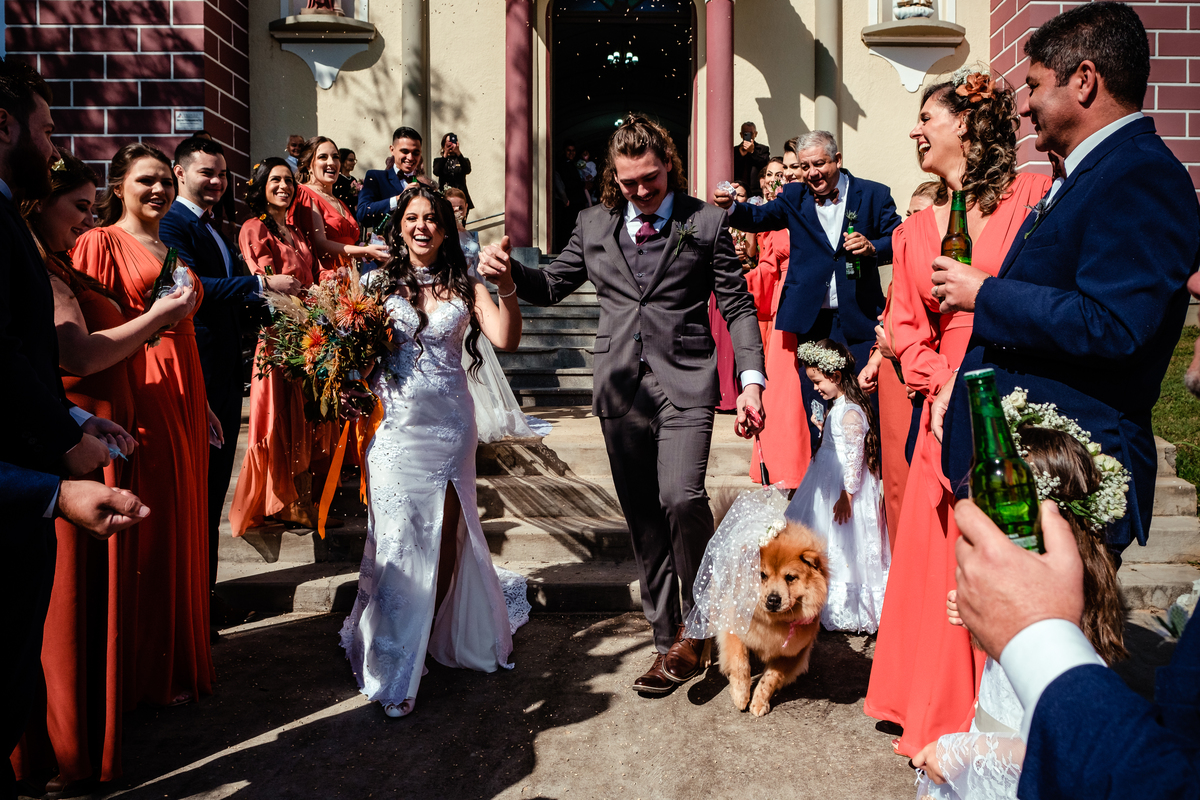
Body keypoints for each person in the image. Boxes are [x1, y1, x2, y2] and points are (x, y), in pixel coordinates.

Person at [480, 114, 766, 695]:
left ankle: (701, 620)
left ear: (670, 167)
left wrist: (754, 379)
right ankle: (670, 643)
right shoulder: (592, 223)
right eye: (629, 182)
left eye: (651, 181)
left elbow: (737, 307)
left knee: (681, 498)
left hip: (686, 380)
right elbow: (553, 285)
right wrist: (509, 275)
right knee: (642, 517)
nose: (640, 191)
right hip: (618, 387)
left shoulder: (705, 222)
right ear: (614, 175)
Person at [936, 3, 1200, 567]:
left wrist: (986, 294)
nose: (1024, 103)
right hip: (1023, 469)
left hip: (1068, 473)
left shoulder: (1140, 175)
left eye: (1033, 85)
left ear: (1084, 80)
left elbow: (1115, 325)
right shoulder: (1086, 171)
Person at [863, 72, 1053, 758]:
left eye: (925, 118)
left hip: (1016, 393)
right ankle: (935, 705)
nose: (916, 131)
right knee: (940, 560)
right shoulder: (915, 230)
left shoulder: (1031, 199)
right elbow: (905, 325)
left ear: (966, 125)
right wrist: (940, 380)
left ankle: (1008, 708)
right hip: (943, 406)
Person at [12, 150, 194, 793]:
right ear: (39, 205)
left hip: (90, 425)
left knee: (89, 594)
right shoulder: (52, 268)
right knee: (64, 601)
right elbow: (77, 353)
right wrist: (160, 319)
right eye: (80, 207)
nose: (86, 222)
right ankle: (63, 750)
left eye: (92, 208)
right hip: (66, 442)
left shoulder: (59, 261)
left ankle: (88, 731)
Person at [339, 184, 530, 719]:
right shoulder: (375, 285)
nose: (421, 226)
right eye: (412, 217)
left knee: (445, 537)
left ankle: (429, 636)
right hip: (395, 430)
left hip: (449, 428)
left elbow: (506, 339)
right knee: (398, 541)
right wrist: (349, 381)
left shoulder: (465, 283)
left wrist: (508, 286)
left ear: (446, 230)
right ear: (399, 225)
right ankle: (395, 658)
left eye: (432, 219)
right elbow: (357, 358)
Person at [0, 58, 124, 800]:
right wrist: (61, 452)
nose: (53, 146)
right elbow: (13, 354)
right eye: (46, 129)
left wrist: (75, 420)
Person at [912, 424, 1130, 800]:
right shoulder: (1050, 588)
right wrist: (987, 620)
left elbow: (1057, 747)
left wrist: (958, 752)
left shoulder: (1070, 633)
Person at [75, 142, 218, 709]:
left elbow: (185, 331)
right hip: (142, 389)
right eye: (144, 181)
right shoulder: (99, 242)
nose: (157, 190)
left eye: (164, 180)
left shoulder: (171, 248)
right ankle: (143, 668)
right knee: (151, 525)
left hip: (186, 391)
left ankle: (180, 654)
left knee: (185, 521)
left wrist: (203, 400)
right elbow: (92, 333)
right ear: (118, 188)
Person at [161, 136, 300, 640]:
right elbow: (189, 288)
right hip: (195, 368)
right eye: (205, 173)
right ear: (181, 173)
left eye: (221, 174)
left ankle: (204, 596)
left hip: (222, 370)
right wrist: (261, 287)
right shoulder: (173, 224)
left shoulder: (214, 224)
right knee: (197, 488)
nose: (216, 182)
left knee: (211, 488)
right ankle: (193, 603)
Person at [716, 130, 902, 453]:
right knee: (817, 407)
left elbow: (898, 240)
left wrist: (873, 248)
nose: (811, 173)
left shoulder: (874, 195)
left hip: (858, 319)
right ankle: (825, 486)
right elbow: (758, 218)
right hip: (812, 322)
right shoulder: (793, 196)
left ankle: (864, 483)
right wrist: (732, 207)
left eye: (819, 164)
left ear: (838, 160)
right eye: (805, 167)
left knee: (862, 405)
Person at [229, 158, 333, 534]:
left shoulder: (296, 232)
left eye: (289, 180)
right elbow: (267, 283)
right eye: (275, 180)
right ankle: (279, 499)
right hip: (278, 337)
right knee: (278, 420)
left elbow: (309, 278)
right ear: (261, 186)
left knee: (303, 419)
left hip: (307, 336)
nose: (284, 186)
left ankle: (300, 499)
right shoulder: (255, 228)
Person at [858, 180, 942, 548]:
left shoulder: (938, 260)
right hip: (891, 376)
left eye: (917, 214)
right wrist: (876, 357)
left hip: (917, 378)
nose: (907, 223)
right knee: (892, 475)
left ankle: (913, 553)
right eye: (907, 214)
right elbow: (893, 311)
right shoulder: (908, 251)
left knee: (913, 477)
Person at [785, 340, 887, 633]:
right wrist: (824, 430)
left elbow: (855, 458)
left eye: (818, 381)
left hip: (843, 487)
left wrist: (847, 495)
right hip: (827, 480)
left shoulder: (851, 411)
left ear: (836, 376)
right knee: (826, 536)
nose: (815, 387)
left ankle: (847, 604)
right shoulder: (837, 407)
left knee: (843, 541)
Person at [445, 188, 546, 442]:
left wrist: (500, 287)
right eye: (452, 206)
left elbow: (507, 340)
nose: (457, 210)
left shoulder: (473, 239)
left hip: (468, 295)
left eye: (460, 206)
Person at [745, 148, 807, 490]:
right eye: (788, 168)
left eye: (796, 167)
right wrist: (739, 287)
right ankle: (787, 464)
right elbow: (768, 266)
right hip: (786, 295)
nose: (789, 174)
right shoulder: (779, 209)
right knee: (784, 388)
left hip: (818, 293)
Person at [293, 136, 389, 283]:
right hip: (325, 281)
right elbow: (321, 245)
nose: (331, 162)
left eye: (335, 157)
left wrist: (368, 248)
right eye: (323, 157)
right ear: (308, 164)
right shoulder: (304, 193)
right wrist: (364, 251)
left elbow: (348, 245)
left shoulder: (339, 202)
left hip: (348, 281)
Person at [356, 126, 430, 230]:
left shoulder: (426, 188)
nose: (410, 157)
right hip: (387, 244)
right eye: (405, 151)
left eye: (416, 153)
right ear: (392, 149)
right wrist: (399, 199)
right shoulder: (376, 177)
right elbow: (362, 213)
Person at [553, 142, 589, 252]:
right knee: (568, 228)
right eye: (569, 150)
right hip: (570, 203)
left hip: (575, 202)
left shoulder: (573, 164)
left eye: (573, 151)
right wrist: (583, 185)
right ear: (564, 151)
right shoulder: (563, 165)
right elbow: (567, 183)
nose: (571, 153)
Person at [432, 132, 473, 210]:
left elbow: (467, 170)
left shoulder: (463, 160)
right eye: (448, 142)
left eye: (452, 142)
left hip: (461, 196)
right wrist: (445, 154)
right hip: (444, 196)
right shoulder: (438, 161)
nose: (450, 144)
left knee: (460, 220)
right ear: (443, 145)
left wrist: (458, 152)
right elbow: (436, 172)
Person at [733, 121, 770, 198]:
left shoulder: (762, 149)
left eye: (750, 134)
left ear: (755, 134)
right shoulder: (735, 150)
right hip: (738, 190)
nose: (748, 136)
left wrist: (753, 152)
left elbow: (765, 166)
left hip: (755, 191)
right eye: (745, 134)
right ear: (741, 135)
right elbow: (732, 167)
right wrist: (740, 155)